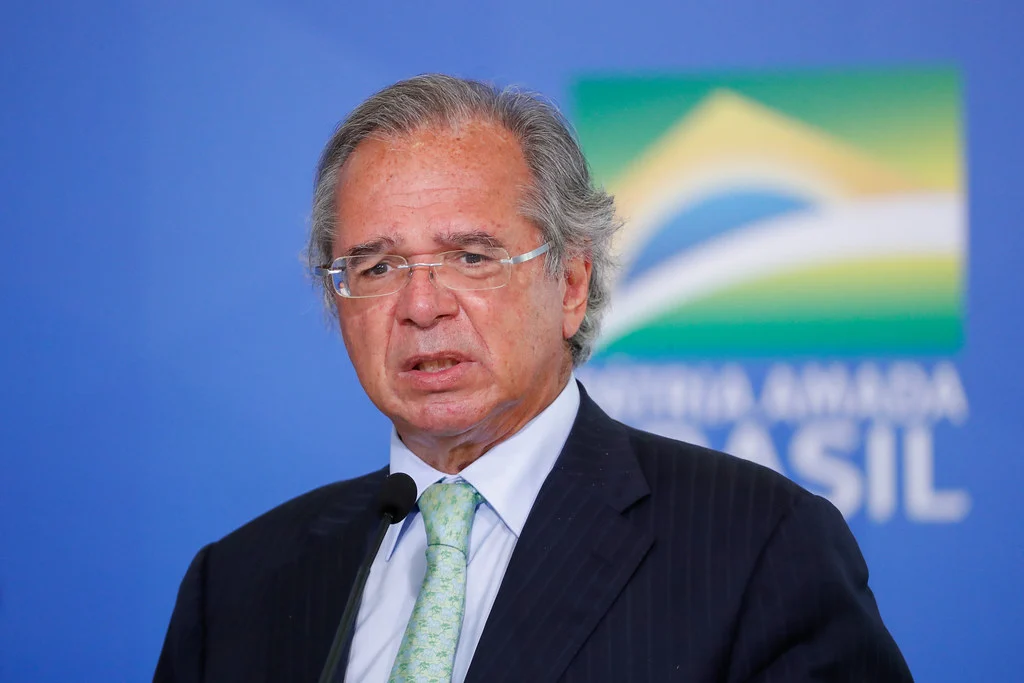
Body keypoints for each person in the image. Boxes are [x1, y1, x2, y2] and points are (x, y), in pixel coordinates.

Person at [155, 74, 913, 683]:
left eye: (471, 257)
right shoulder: (239, 585)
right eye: (378, 266)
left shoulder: (756, 548)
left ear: (572, 284)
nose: (421, 305)